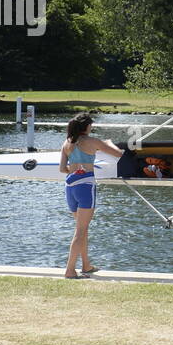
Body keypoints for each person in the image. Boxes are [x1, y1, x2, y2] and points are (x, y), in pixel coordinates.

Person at [58, 113, 123, 279]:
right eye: (91, 125)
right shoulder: (93, 141)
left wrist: (76, 169)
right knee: (80, 231)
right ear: (86, 127)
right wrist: (109, 143)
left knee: (82, 228)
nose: (92, 127)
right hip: (85, 185)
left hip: (70, 185)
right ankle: (70, 270)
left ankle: (86, 265)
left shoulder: (67, 143)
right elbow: (118, 154)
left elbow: (62, 169)